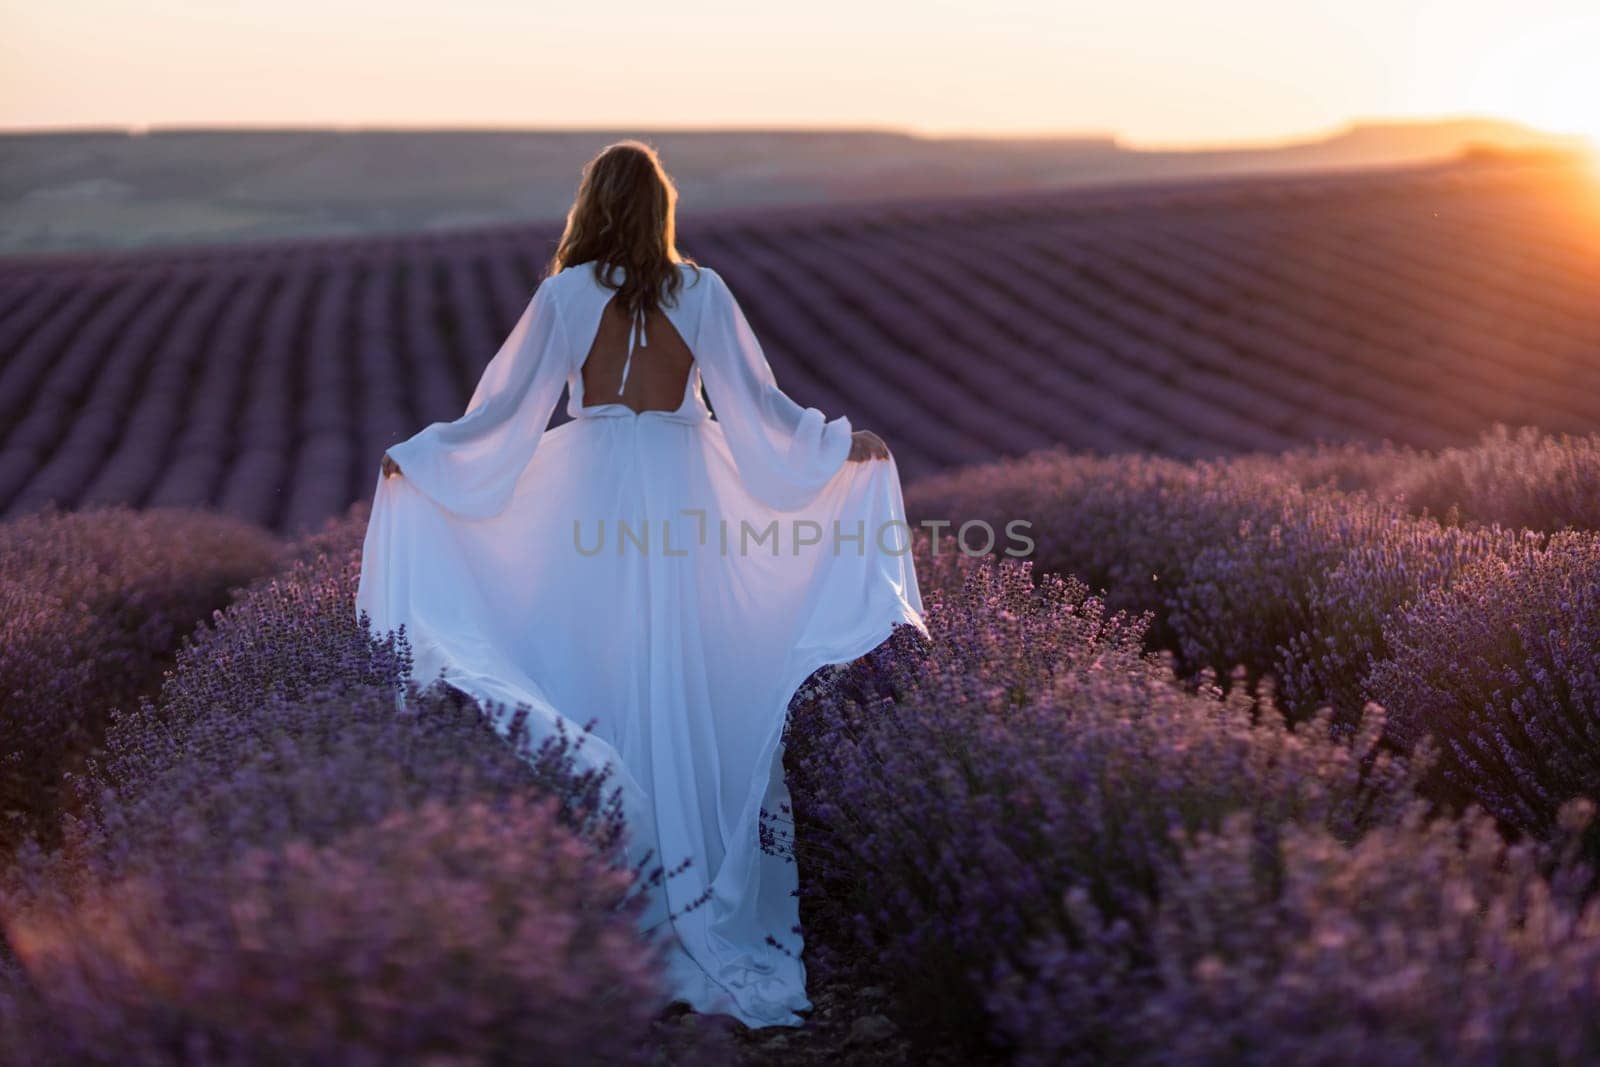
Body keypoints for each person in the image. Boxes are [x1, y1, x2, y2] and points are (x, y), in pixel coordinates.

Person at [355, 139, 925, 1029]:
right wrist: (836, 449)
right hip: (683, 483)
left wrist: (423, 461)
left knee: (604, 675)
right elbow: (756, 409)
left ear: (589, 205)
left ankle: (619, 905)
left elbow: (505, 414)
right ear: (661, 209)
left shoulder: (561, 295)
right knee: (684, 669)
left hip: (590, 486)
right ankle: (700, 892)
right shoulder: (702, 291)